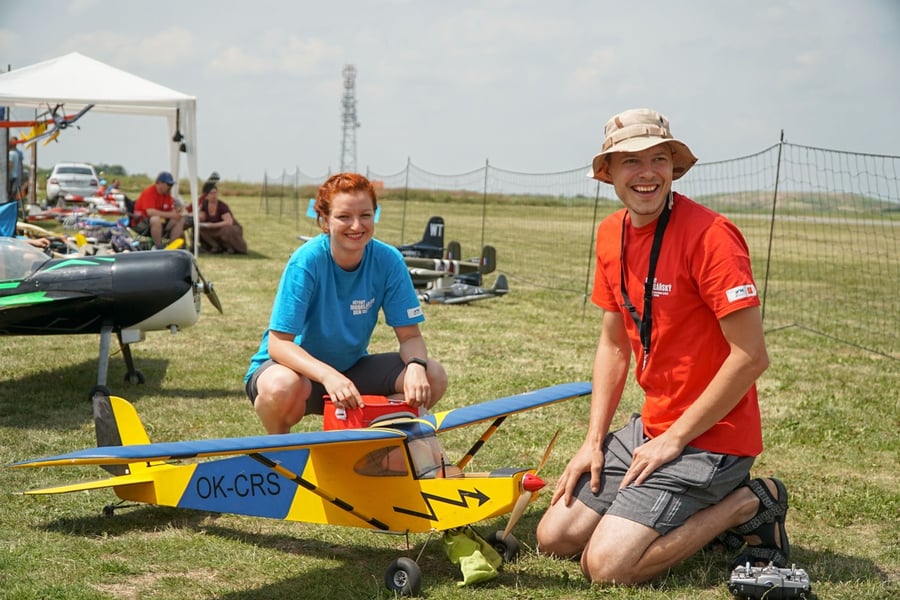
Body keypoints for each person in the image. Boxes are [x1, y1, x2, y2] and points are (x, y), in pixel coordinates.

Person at [536, 108, 787, 585]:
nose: (646, 173)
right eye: (630, 161)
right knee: (554, 538)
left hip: (712, 437)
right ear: (607, 172)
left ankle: (745, 502)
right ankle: (658, 504)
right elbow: (613, 345)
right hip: (651, 428)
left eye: (658, 158)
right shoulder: (611, 234)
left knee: (607, 568)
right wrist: (594, 443)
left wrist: (674, 440)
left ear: (674, 166)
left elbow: (751, 356)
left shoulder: (713, 237)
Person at [245, 172, 448, 434]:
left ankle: (367, 449)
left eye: (365, 215)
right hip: (294, 375)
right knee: (282, 386)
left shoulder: (389, 260)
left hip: (349, 372)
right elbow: (279, 344)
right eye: (344, 217)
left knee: (433, 375)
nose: (356, 226)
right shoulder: (306, 261)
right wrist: (328, 375)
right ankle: (280, 454)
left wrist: (416, 367)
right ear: (325, 221)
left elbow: (410, 337)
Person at [131, 171, 185, 249]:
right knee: (155, 219)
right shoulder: (149, 192)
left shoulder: (166, 195)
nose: (170, 187)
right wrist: (171, 214)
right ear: (159, 183)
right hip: (141, 222)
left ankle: (171, 247)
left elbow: (170, 210)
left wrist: (177, 212)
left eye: (171, 185)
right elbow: (150, 212)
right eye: (169, 184)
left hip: (160, 223)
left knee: (180, 219)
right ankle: (158, 246)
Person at [197, 181, 247, 254]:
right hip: (213, 229)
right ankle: (214, 246)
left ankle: (230, 247)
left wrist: (212, 225)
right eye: (211, 193)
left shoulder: (222, 206)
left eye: (215, 193)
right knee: (199, 228)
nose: (214, 195)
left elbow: (229, 222)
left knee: (227, 230)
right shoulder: (204, 204)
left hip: (226, 228)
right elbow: (199, 215)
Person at [7, 137, 24, 202]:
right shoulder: (16, 153)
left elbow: (10, 165)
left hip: (11, 176)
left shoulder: (11, 154)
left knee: (11, 193)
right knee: (15, 192)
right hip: (16, 175)